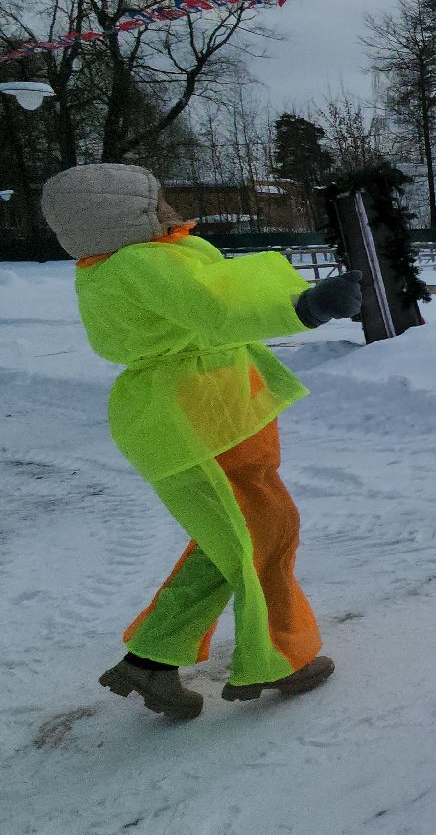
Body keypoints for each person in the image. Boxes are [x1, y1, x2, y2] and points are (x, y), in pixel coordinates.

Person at [39, 164, 360, 719]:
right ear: (125, 213)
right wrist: (303, 307)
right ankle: (280, 658)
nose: (168, 208)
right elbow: (213, 306)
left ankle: (151, 662)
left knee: (232, 539)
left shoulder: (131, 261)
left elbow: (218, 290)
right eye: (154, 201)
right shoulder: (140, 262)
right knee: (262, 535)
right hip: (196, 417)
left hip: (210, 410)